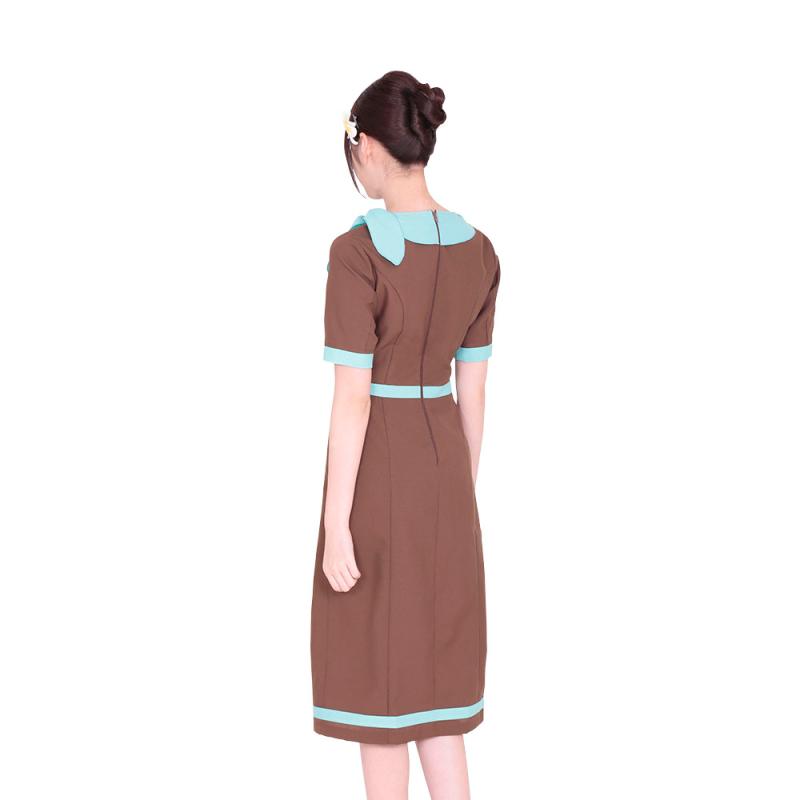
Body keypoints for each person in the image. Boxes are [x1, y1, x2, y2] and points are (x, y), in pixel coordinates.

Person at [310, 70, 501, 800]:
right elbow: (473, 393)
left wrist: (336, 524)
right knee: (438, 693)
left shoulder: (357, 251)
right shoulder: (480, 251)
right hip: (447, 475)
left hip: (378, 475)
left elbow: (352, 399)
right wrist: (456, 498)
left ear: (367, 148)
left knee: (379, 696)